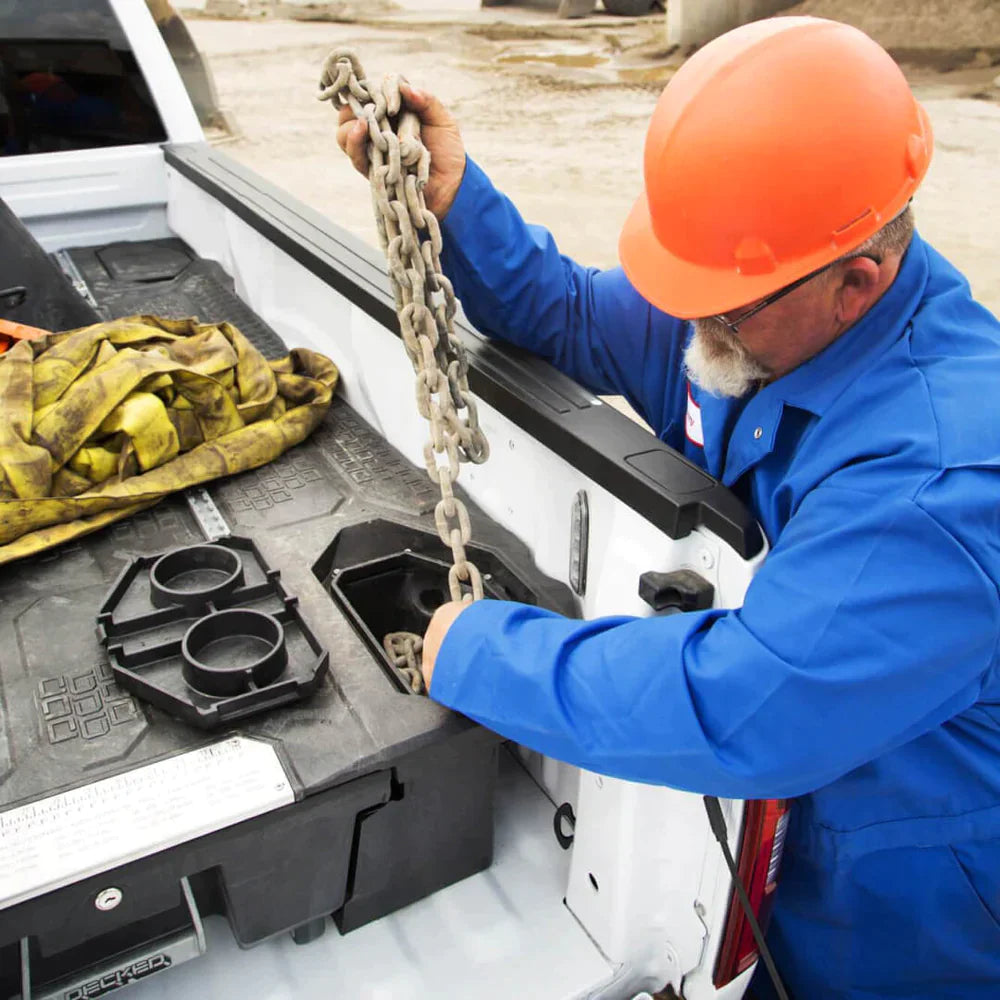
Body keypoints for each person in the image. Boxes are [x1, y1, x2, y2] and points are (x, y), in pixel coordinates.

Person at [337, 16, 1000, 1000]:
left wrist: (474, 649)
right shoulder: (754, 298)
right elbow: (564, 310)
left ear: (858, 282)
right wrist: (453, 199)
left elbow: (750, 702)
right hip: (779, 860)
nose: (692, 319)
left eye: (718, 300)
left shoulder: (943, 481)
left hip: (904, 924)